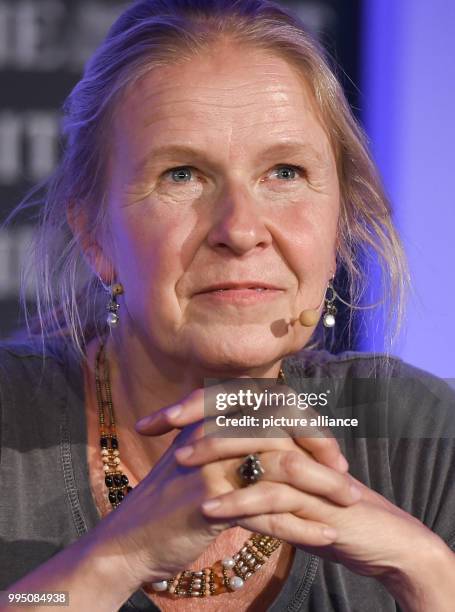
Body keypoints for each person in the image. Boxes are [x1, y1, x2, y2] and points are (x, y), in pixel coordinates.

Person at [1, 1, 454, 610]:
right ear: (94, 236)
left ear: (340, 221)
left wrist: (429, 572)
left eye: (285, 172)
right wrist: (119, 557)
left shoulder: (426, 441)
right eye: (182, 174)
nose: (241, 230)